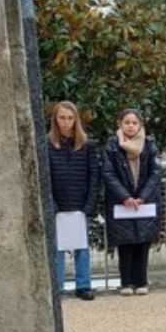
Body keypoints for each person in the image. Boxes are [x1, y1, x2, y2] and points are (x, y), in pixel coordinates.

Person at [100, 109, 163, 296]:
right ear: (120, 124)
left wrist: (142, 196)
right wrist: (124, 197)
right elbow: (108, 173)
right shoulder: (111, 146)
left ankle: (141, 281)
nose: (130, 126)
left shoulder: (150, 146)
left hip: (145, 201)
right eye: (127, 122)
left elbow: (156, 172)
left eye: (134, 123)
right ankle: (126, 283)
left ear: (140, 125)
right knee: (125, 243)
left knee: (143, 243)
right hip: (121, 203)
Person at [46, 101, 99, 301]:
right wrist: (52, 204)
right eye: (62, 118)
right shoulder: (47, 144)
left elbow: (94, 175)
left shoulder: (87, 145)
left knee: (82, 247)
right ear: (55, 120)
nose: (66, 122)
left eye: (70, 118)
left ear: (76, 119)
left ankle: (83, 285)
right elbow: (45, 176)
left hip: (80, 204)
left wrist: (89, 204)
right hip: (58, 205)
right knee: (57, 248)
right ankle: (56, 286)